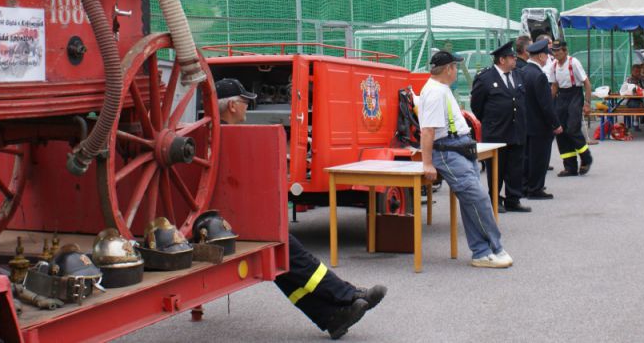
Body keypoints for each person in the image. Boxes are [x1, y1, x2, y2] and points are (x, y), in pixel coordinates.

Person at [215, 78, 387, 340]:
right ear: (232, 106)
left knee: (281, 264)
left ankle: (331, 316)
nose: (248, 107)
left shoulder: (216, 135)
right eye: (245, 102)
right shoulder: (227, 137)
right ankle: (347, 294)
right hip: (231, 221)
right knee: (287, 250)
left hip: (230, 217)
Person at [418, 51, 513, 267]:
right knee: (478, 198)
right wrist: (427, 163)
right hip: (448, 151)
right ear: (448, 69)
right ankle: (495, 249)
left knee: (472, 200)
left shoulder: (440, 89)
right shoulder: (434, 92)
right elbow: (428, 131)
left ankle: (481, 252)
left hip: (458, 148)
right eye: (456, 67)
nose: (457, 71)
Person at [470, 41, 530, 213]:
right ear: (502, 60)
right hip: (497, 131)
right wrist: (490, 121)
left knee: (515, 167)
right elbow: (477, 106)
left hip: (516, 129)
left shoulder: (518, 75)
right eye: (512, 57)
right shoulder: (485, 78)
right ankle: (495, 199)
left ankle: (513, 199)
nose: (515, 60)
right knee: (497, 168)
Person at [520, 39, 562, 197]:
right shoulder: (539, 76)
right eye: (547, 55)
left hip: (526, 123)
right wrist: (555, 124)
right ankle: (535, 189)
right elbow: (546, 104)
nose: (548, 59)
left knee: (527, 158)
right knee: (539, 158)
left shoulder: (523, 72)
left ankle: (525, 186)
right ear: (541, 56)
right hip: (539, 125)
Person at [549, 39, 594, 175]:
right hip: (561, 96)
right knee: (560, 131)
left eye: (558, 50)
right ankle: (570, 167)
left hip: (575, 95)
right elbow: (554, 86)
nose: (555, 53)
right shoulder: (553, 65)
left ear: (565, 51)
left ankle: (586, 158)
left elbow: (587, 83)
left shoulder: (573, 62)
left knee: (572, 129)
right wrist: (548, 104)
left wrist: (587, 103)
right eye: (554, 51)